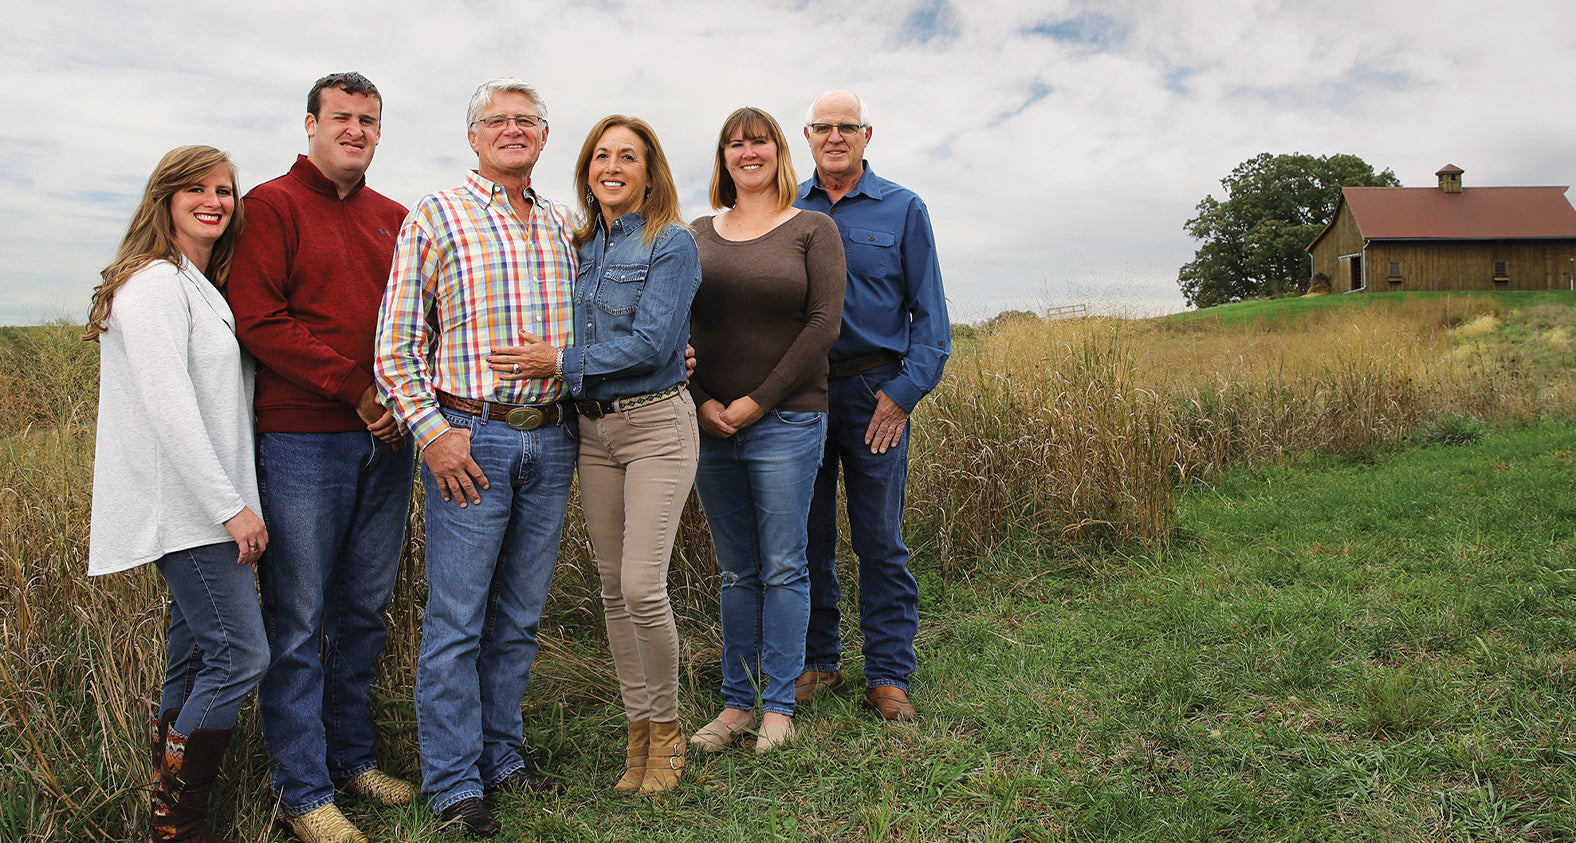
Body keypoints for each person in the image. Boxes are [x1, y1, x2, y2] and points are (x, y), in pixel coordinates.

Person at [374, 77, 576, 838]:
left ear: (545, 137)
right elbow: (395, 347)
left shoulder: (561, 225)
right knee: (458, 619)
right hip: (473, 437)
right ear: (474, 136)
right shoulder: (438, 214)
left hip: (553, 439)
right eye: (498, 120)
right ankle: (456, 783)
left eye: (528, 120)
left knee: (520, 615)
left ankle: (503, 756)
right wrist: (433, 430)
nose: (513, 130)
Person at [485, 115, 701, 795]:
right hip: (595, 434)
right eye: (601, 156)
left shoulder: (672, 243)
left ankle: (666, 729)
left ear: (649, 168)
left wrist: (560, 361)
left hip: (655, 425)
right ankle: (637, 735)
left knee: (642, 584)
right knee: (613, 590)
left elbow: (652, 342)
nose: (612, 166)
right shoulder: (580, 245)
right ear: (587, 170)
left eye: (627, 156)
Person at [227, 72, 414, 843]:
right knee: (299, 618)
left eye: (369, 120)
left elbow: (419, 318)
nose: (357, 130)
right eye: (342, 117)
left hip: (387, 438)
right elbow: (259, 318)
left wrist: (401, 398)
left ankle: (351, 759)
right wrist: (354, 389)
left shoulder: (395, 218)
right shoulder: (269, 206)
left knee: (362, 612)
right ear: (311, 123)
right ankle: (304, 792)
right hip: (304, 437)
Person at [85, 145, 268, 843]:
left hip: (202, 506)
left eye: (224, 189)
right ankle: (178, 819)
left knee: (194, 658)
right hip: (187, 511)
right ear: (164, 197)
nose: (214, 199)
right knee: (241, 656)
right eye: (196, 187)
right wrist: (230, 506)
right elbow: (171, 408)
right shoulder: (157, 284)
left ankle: (167, 811)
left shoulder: (193, 283)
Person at [685, 107, 845, 755]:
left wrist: (756, 401)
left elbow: (822, 325)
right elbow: (675, 326)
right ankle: (735, 704)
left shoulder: (813, 228)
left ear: (781, 151)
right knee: (736, 571)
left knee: (783, 565)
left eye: (759, 141)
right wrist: (700, 400)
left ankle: (779, 703)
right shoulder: (696, 232)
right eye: (735, 143)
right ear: (723, 157)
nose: (747, 151)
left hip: (788, 419)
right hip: (708, 422)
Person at [793, 90, 951, 722]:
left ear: (866, 135)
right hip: (799, 395)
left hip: (873, 392)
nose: (835, 136)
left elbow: (931, 318)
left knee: (879, 538)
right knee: (806, 536)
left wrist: (903, 393)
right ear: (807, 136)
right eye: (824, 127)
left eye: (847, 127)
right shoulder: (785, 207)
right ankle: (819, 661)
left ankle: (887, 673)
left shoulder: (903, 208)